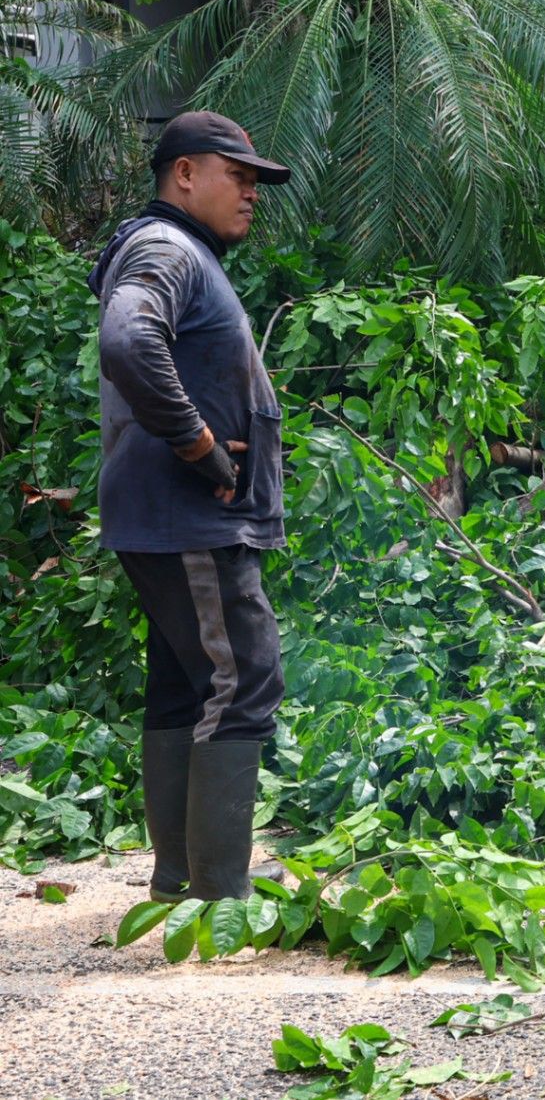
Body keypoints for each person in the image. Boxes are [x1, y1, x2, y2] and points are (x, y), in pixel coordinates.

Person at [91, 111, 294, 902]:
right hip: (189, 518)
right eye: (236, 175)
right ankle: (218, 893)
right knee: (243, 678)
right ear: (184, 174)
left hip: (171, 521)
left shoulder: (177, 252)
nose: (250, 193)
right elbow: (128, 341)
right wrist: (198, 445)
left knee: (187, 682)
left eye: (255, 181)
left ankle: (182, 881)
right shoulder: (165, 248)